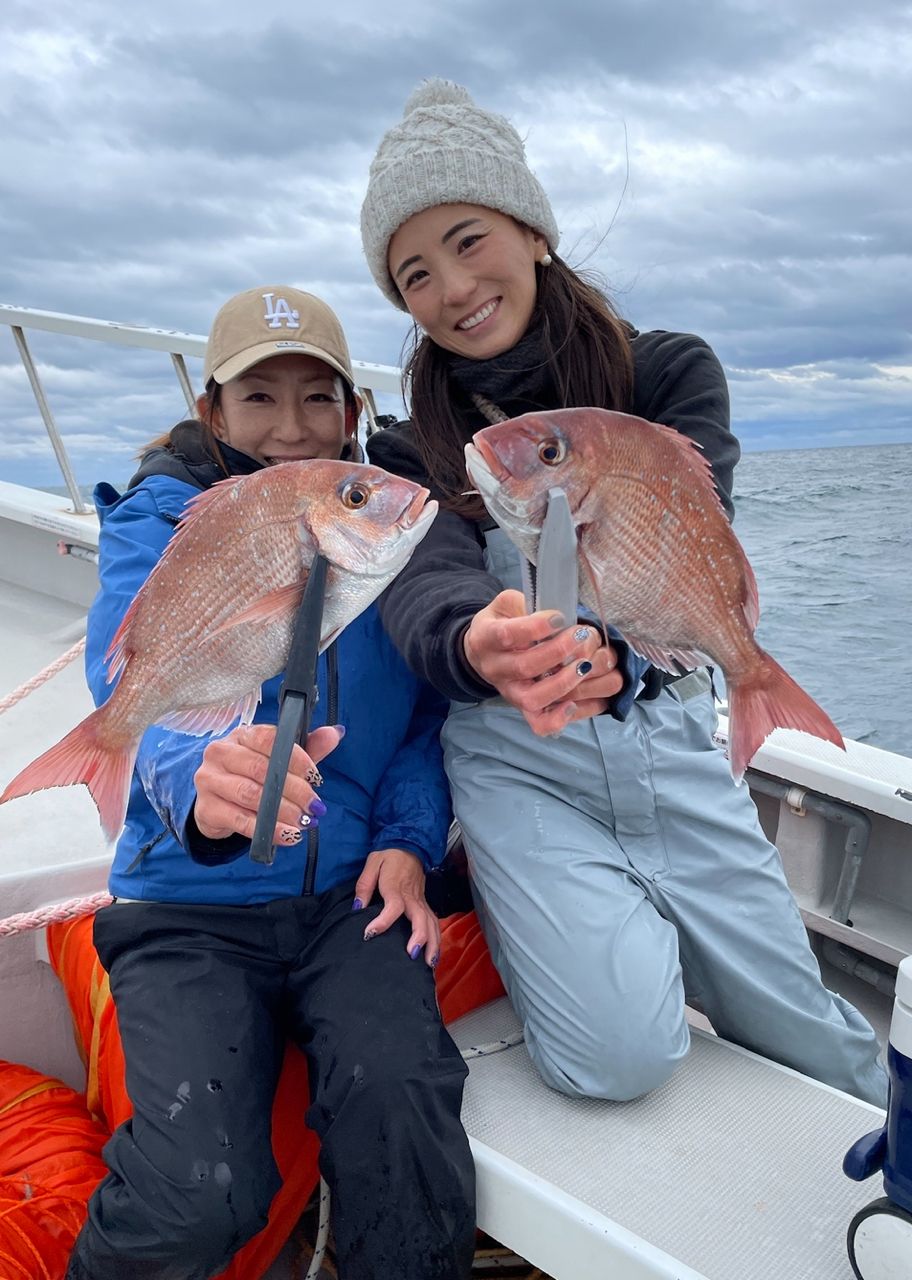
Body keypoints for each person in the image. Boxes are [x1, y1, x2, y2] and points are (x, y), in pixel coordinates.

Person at [359, 79, 888, 1109]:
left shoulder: (668, 373)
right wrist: (480, 644)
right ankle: (603, 927)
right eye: (414, 273)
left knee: (821, 1049)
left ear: (534, 232)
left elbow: (698, 536)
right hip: (522, 767)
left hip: (671, 742)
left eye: (468, 240)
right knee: (621, 1054)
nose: (452, 286)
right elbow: (423, 590)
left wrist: (625, 654)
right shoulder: (407, 443)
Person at [66, 285, 475, 1280]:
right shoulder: (162, 517)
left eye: (317, 399)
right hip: (185, 907)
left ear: (354, 410)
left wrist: (407, 842)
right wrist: (192, 776)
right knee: (197, 1192)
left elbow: (423, 716)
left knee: (405, 1124)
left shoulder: (377, 524)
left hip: (349, 903)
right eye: (259, 398)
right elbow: (129, 674)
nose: (291, 429)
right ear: (214, 412)